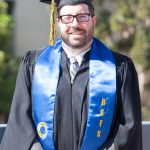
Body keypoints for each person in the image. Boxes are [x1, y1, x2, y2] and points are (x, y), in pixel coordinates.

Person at [0, 0, 142, 150]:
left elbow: (128, 127)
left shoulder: (119, 68)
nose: (74, 24)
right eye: (67, 17)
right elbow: (20, 122)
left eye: (82, 16)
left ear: (93, 20)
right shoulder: (34, 65)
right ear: (59, 22)